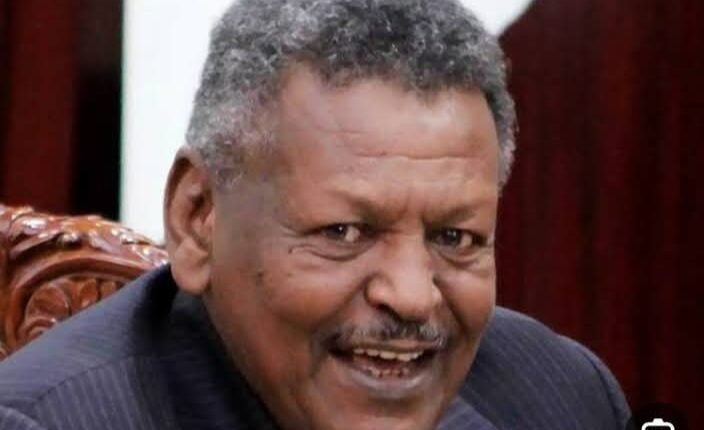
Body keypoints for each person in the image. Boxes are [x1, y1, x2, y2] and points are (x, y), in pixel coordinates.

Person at [0, 1, 630, 429]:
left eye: (455, 237)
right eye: (345, 232)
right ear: (198, 220)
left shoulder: (559, 396)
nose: (412, 296)